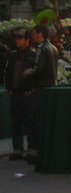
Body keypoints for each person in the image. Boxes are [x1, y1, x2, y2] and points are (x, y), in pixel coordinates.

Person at [25, 25, 58, 166]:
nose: (32, 36)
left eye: (34, 33)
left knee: (34, 121)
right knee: (45, 121)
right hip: (51, 88)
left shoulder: (41, 49)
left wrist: (29, 73)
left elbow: (39, 69)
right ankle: (46, 151)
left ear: (40, 34)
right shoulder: (53, 48)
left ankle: (34, 152)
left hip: (40, 89)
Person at [4, 28, 35, 160]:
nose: (17, 41)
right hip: (15, 92)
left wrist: (30, 89)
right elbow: (8, 72)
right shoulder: (13, 56)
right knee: (16, 122)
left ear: (27, 40)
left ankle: (31, 149)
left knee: (29, 122)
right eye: (16, 39)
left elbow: (35, 74)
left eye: (20, 38)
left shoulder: (32, 55)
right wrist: (9, 87)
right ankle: (17, 149)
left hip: (26, 93)